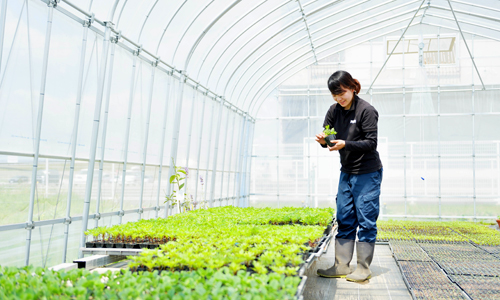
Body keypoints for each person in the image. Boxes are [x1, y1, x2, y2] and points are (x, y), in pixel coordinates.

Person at [315, 70, 383, 282]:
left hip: (367, 172)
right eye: (334, 95)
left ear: (353, 87)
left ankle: (363, 268)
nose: (338, 98)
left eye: (342, 92)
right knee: (344, 217)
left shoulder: (366, 110)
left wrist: (347, 144)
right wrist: (324, 141)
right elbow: (330, 138)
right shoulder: (333, 111)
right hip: (346, 172)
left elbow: (371, 143)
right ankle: (341, 265)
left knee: (366, 218)